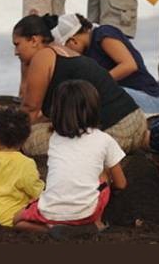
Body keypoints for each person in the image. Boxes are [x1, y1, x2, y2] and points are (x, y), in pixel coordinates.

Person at [13, 15, 147, 156]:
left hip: (115, 132)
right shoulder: (64, 52)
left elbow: (30, 108)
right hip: (136, 122)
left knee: (30, 141)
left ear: (34, 40)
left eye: (17, 44)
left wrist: (8, 140)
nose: (16, 52)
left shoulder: (42, 57)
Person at [14, 80, 127, 234]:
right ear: (94, 109)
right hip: (87, 212)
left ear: (57, 111)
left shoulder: (54, 139)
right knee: (103, 175)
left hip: (49, 211)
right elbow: (121, 184)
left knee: (17, 221)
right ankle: (96, 224)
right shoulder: (104, 139)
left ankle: (50, 231)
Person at [51, 13, 159, 114]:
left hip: (148, 99)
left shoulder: (103, 34)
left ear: (73, 41)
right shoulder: (86, 54)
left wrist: (98, 84)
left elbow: (129, 65)